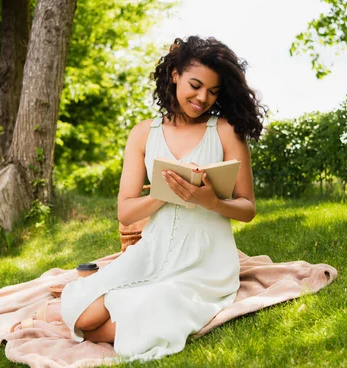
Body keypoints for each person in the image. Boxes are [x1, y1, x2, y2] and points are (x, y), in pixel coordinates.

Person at [60, 35, 267, 362]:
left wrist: (211, 201)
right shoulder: (143, 133)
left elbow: (247, 208)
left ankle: (84, 327)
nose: (203, 98)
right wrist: (165, 193)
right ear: (174, 75)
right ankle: (77, 317)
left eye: (213, 91)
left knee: (157, 304)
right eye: (196, 85)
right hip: (153, 250)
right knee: (83, 311)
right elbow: (126, 213)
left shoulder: (226, 131)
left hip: (205, 262)